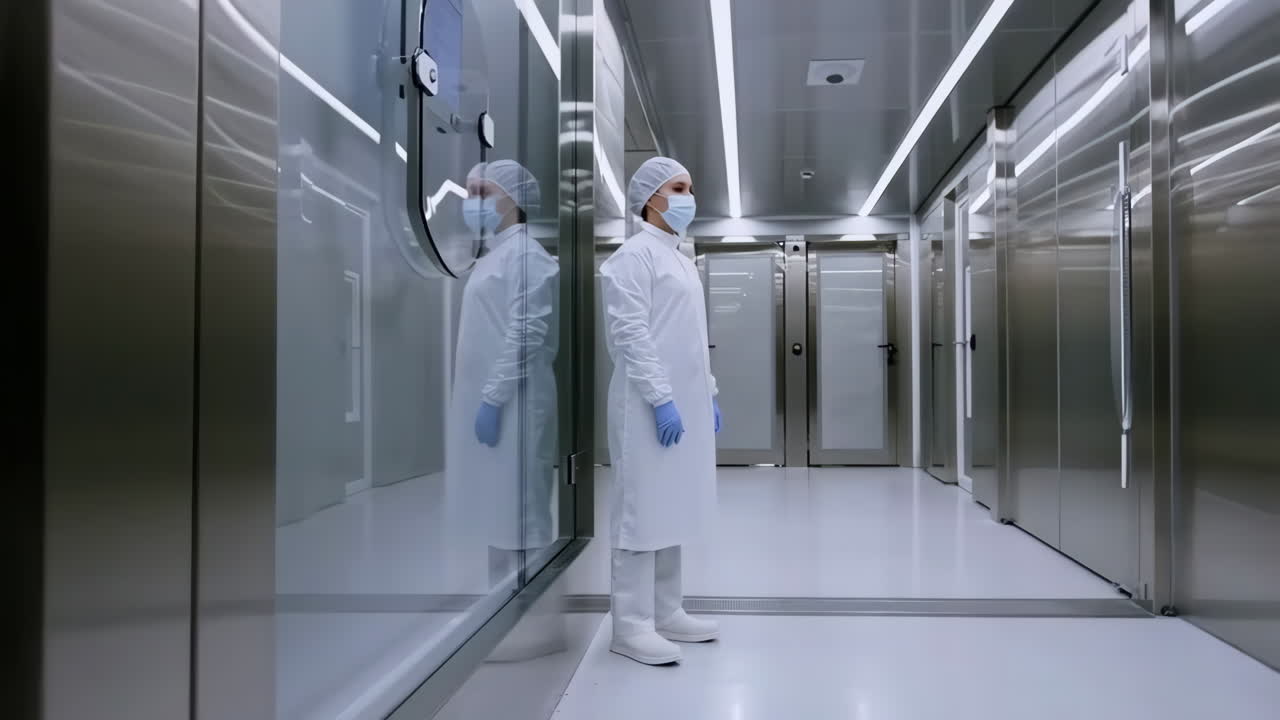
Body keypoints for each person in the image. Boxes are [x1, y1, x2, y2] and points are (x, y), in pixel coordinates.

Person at [599, 157, 723, 666]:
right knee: (640, 512)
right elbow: (630, 335)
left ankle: (667, 611)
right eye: (678, 187)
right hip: (645, 406)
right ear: (651, 197)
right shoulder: (632, 257)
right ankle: (630, 626)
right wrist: (660, 397)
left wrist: (708, 393)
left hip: (684, 402)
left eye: (691, 187)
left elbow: (694, 338)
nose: (688, 196)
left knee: (673, 506)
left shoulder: (680, 258)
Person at [445, 160, 559, 626]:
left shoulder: (528, 256)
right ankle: (502, 608)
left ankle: (528, 618)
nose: (472, 202)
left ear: (513, 199)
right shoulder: (492, 256)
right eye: (469, 192)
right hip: (493, 400)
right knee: (498, 505)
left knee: (522, 506)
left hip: (517, 401)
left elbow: (527, 333)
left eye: (482, 192)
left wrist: (494, 397)